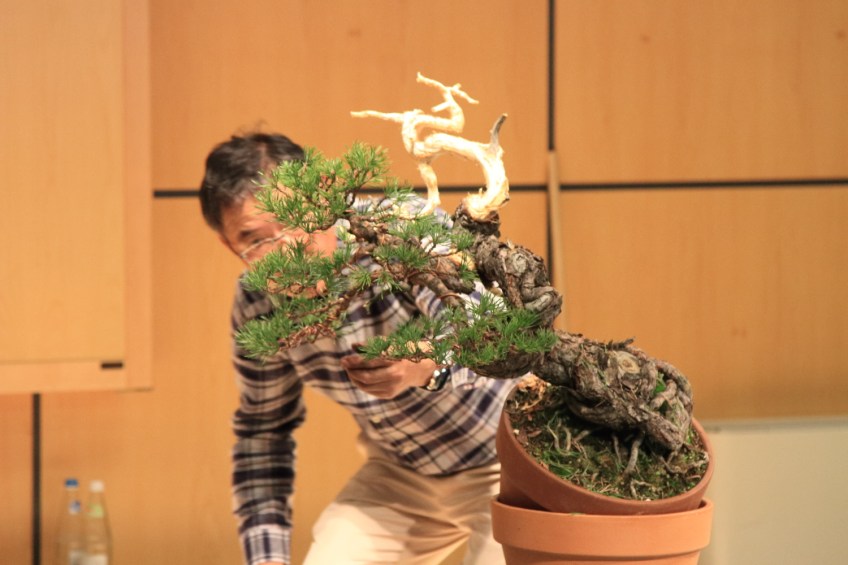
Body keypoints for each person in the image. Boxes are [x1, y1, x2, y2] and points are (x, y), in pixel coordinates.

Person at [199, 132, 514, 565]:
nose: (286, 252)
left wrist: (425, 366)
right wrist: (266, 558)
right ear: (228, 243)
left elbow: (489, 328)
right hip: (402, 473)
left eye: (294, 220)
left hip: (507, 459)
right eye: (256, 239)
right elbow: (263, 434)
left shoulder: (400, 225)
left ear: (325, 193)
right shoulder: (257, 304)